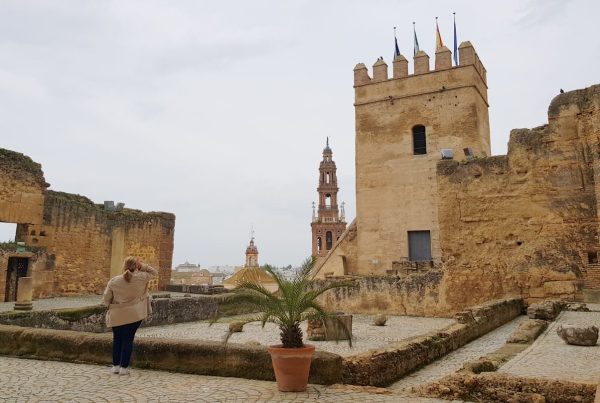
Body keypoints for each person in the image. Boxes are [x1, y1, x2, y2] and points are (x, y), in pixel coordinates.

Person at [103, 256, 157, 375]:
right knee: (128, 339)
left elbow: (106, 299)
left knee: (117, 339)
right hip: (134, 314)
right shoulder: (142, 278)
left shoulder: (114, 281)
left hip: (117, 314)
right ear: (136, 266)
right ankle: (124, 367)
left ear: (124, 266)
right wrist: (142, 266)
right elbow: (154, 272)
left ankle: (116, 366)